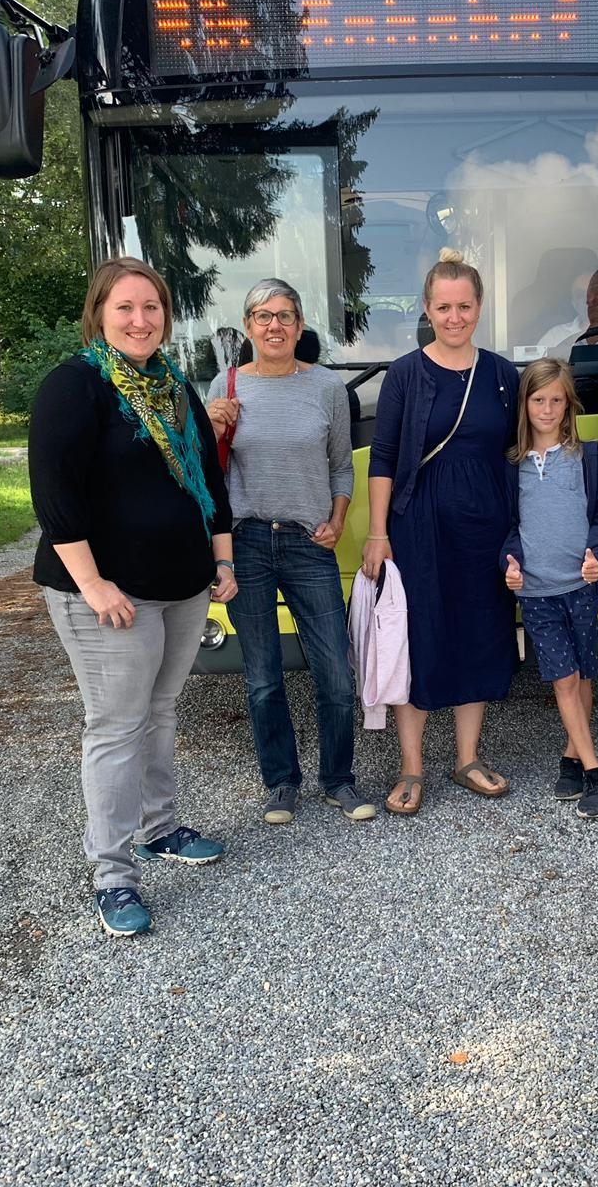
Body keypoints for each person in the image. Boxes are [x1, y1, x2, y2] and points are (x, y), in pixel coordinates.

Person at [29, 256, 237, 938]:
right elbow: (55, 499)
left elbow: (209, 477)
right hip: (107, 595)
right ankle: (113, 876)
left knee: (160, 710)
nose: (140, 320)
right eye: (126, 307)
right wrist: (93, 585)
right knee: (116, 728)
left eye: (152, 308)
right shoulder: (75, 387)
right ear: (99, 314)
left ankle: (160, 828)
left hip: (180, 587)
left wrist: (221, 560)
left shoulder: (174, 389)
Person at [205, 279, 375, 826]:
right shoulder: (226, 385)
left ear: (300, 327)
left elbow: (340, 465)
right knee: (262, 676)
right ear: (248, 327)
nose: (274, 325)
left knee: (336, 672)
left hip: (308, 541)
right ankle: (281, 783)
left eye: (284, 316)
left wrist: (338, 518)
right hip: (248, 540)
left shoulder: (326, 388)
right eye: (262, 315)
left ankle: (339, 781)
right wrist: (211, 428)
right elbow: (206, 470)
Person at [362, 249, 520, 815]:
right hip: (418, 523)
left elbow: (519, 450)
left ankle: (467, 758)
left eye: (465, 306)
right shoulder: (404, 374)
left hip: (485, 523)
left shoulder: (503, 375)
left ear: (479, 308)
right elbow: (383, 456)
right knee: (419, 634)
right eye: (444, 306)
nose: (455, 317)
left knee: (479, 630)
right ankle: (412, 766)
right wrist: (378, 534)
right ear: (427, 309)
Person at [500, 358, 598, 820]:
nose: (547, 410)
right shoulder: (512, 465)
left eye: (556, 400)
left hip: (582, 586)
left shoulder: (586, 458)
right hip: (537, 592)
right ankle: (595, 772)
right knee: (563, 678)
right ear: (525, 405)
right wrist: (508, 563)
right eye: (538, 400)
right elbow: (509, 529)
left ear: (569, 405)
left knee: (583, 673)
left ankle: (571, 756)